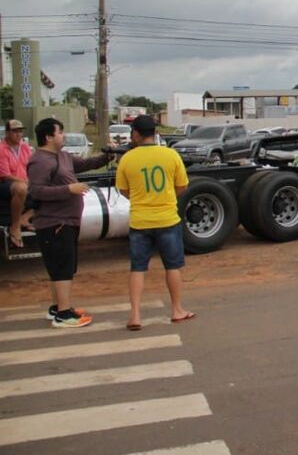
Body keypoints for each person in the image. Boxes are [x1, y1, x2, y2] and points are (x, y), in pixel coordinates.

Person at [27, 118, 113, 327]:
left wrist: (108, 155)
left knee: (62, 267)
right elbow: (37, 191)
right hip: (54, 223)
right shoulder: (40, 161)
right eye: (60, 132)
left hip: (67, 221)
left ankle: (58, 307)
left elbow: (86, 164)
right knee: (62, 268)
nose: (63, 135)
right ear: (48, 137)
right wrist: (69, 189)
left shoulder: (63, 156)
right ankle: (63, 315)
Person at [116, 115, 193, 330]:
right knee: (173, 266)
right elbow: (182, 185)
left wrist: (140, 199)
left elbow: (123, 189)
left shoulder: (128, 159)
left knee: (138, 268)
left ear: (137, 134)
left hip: (140, 221)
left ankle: (135, 315)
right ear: (155, 133)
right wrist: (166, 198)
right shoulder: (170, 155)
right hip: (167, 218)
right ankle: (177, 309)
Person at [0, 119, 34, 247]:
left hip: (25, 182)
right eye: (15, 131)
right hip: (6, 184)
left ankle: (24, 218)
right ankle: (15, 226)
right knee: (21, 188)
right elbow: (5, 175)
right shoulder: (1, 149)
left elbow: (32, 167)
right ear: (7, 132)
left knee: (52, 187)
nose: (19, 134)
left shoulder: (25, 147)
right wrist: (26, 182)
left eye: (20, 131)